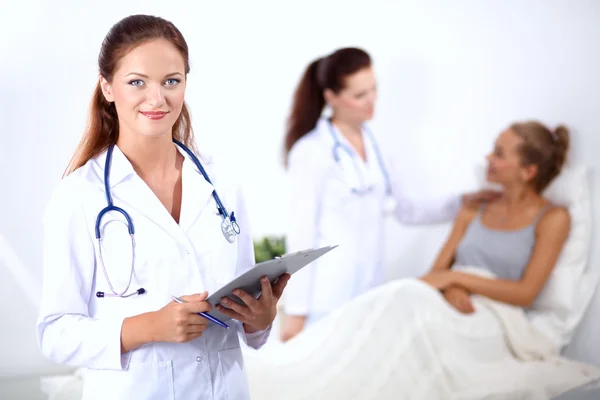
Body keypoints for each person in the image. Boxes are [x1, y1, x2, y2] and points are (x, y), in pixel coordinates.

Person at [36, 14, 289, 400]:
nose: (157, 99)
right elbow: (54, 333)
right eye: (137, 82)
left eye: (171, 81)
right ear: (107, 87)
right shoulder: (79, 196)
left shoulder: (220, 184)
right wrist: (147, 327)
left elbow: (245, 317)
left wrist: (260, 321)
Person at [280, 47, 500, 341]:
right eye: (359, 96)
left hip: (369, 287)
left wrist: (460, 202)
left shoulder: (377, 145)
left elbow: (406, 210)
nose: (371, 102)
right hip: (325, 293)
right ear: (331, 97)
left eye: (373, 90)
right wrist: (296, 311)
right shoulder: (312, 151)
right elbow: (301, 234)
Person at [420, 121, 571, 312]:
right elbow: (435, 274)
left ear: (528, 172)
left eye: (499, 154)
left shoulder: (553, 219)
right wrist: (451, 288)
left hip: (495, 314)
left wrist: (455, 278)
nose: (488, 157)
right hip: (450, 303)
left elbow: (525, 294)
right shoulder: (474, 208)